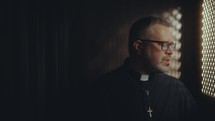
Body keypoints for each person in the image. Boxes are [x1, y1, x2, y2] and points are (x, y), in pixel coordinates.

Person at [87, 16, 198, 121]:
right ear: (139, 46)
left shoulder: (178, 89)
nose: (170, 51)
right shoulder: (103, 89)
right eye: (164, 44)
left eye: (171, 45)